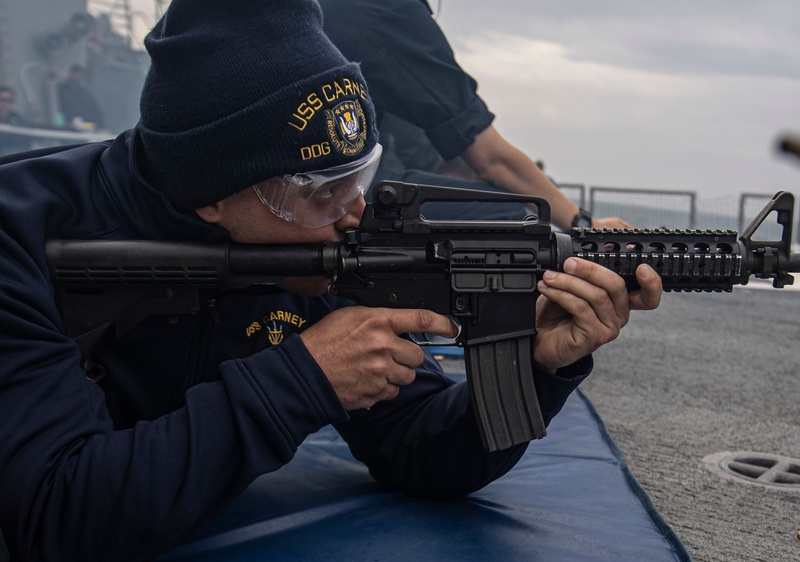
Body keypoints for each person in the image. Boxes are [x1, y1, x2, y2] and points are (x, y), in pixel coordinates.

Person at [0, 0, 662, 560]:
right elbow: (57, 515)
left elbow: (421, 452)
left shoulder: (320, 251)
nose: (355, 214)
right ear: (209, 193)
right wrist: (302, 381)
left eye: (362, 178)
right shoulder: (23, 235)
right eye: (321, 192)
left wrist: (539, 365)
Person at [318, 0, 630, 231]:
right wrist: (584, 222)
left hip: (307, 188)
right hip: (348, 196)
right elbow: (492, 157)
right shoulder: (387, 10)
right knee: (517, 218)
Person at [56, 64, 105, 131]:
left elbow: (96, 114)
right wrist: (64, 124)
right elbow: (57, 110)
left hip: (85, 129)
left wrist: (102, 127)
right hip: (64, 129)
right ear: (70, 74)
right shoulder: (59, 91)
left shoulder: (87, 94)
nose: (78, 76)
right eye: (75, 74)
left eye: (80, 74)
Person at [0, 86, 31, 155]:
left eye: (9, 101)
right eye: (2, 100)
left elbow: (26, 141)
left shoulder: (18, 120)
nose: (4, 104)